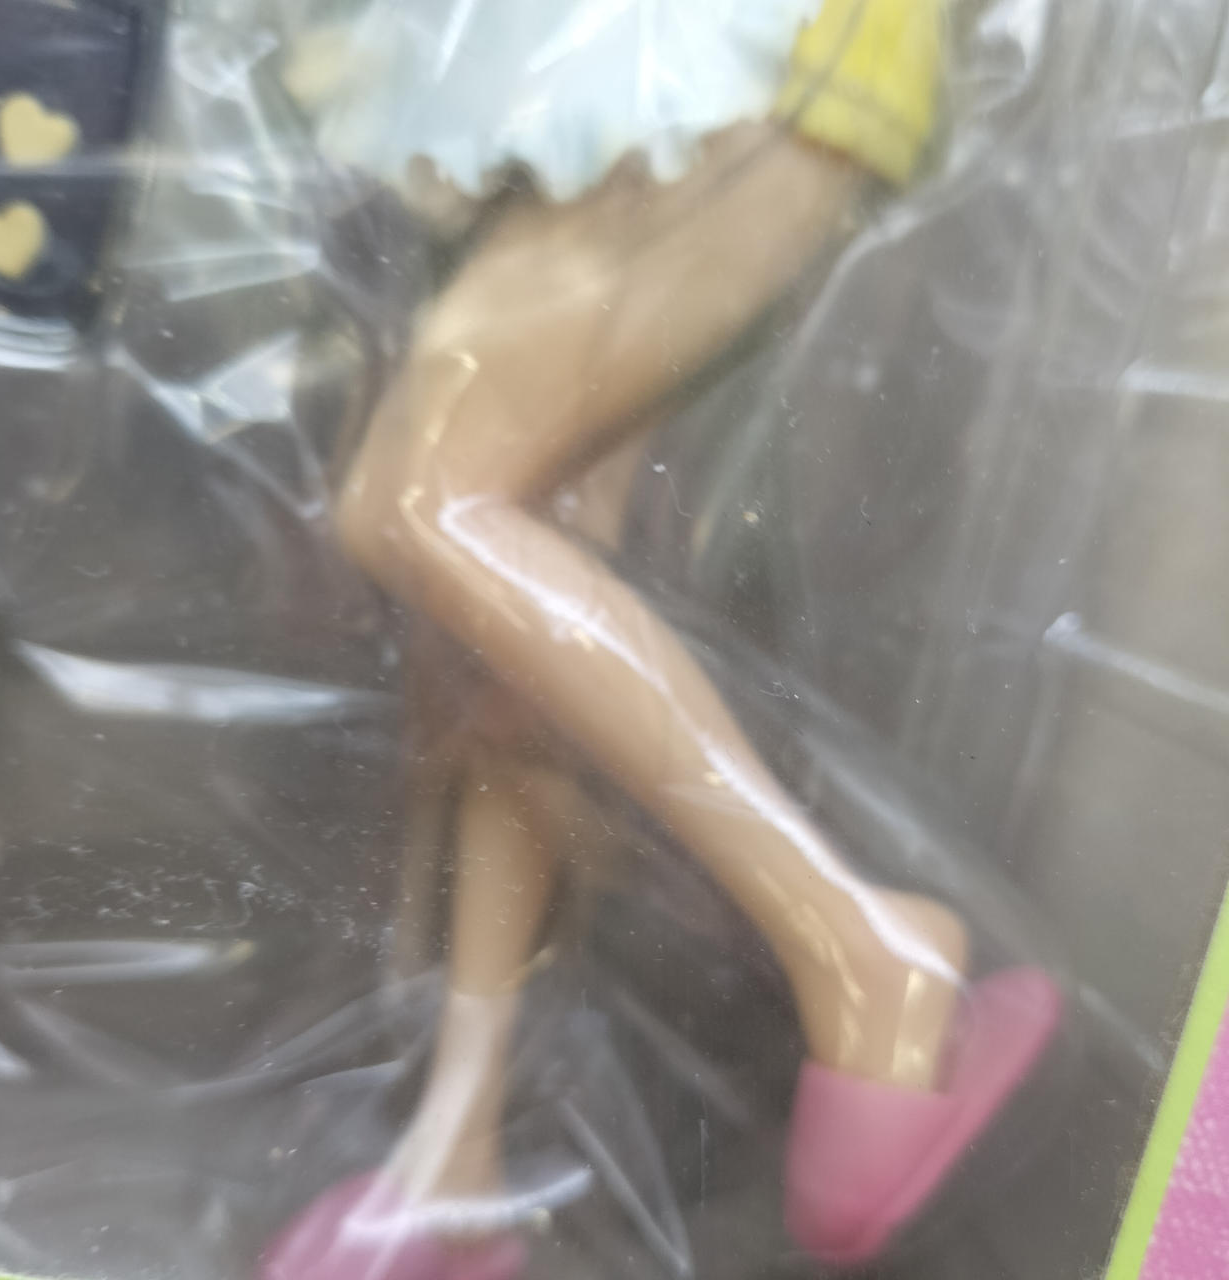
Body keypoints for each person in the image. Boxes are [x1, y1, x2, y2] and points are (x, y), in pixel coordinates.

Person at [261, 3, 1062, 1277]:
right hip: (601, 75)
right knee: (512, 596)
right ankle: (458, 1149)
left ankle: (859, 944)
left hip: (716, 58)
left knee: (419, 503)